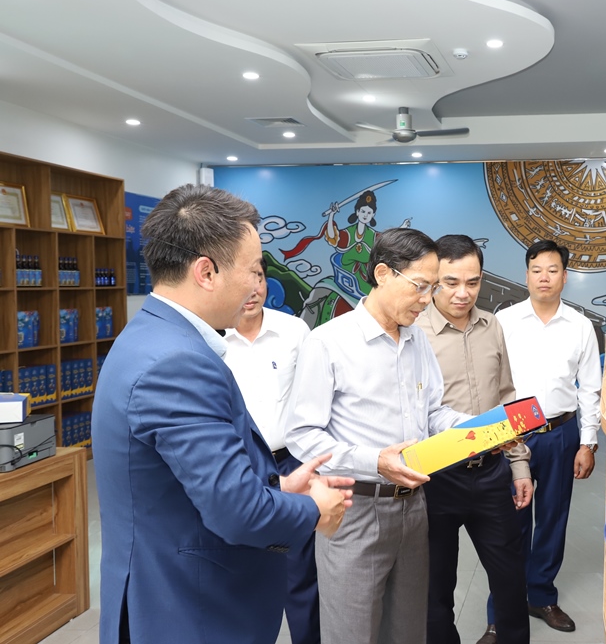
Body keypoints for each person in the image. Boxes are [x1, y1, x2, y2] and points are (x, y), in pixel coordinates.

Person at [92, 184, 352, 644]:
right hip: (191, 611)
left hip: (172, 597)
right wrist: (314, 509)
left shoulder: (149, 336)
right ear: (207, 272)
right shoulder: (179, 363)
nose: (257, 286)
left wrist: (276, 488)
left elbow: (188, 484)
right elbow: (238, 513)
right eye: (253, 270)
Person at [285, 227, 474, 644]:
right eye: (420, 286)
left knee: (407, 630)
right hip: (354, 509)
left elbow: (433, 412)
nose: (427, 300)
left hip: (413, 507)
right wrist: (374, 461)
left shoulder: (417, 340)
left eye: (433, 288)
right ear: (383, 273)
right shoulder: (329, 342)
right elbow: (302, 434)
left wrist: (479, 431)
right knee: (351, 633)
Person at [414, 235, 532, 644]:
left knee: (511, 581)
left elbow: (506, 397)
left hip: (492, 474)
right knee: (435, 590)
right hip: (435, 479)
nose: (463, 293)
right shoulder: (413, 333)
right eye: (451, 282)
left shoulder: (491, 326)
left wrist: (519, 465)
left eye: (473, 282)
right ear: (434, 280)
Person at [495, 240, 602, 633]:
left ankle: (540, 596)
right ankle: (504, 607)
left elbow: (590, 388)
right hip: (512, 435)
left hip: (560, 433)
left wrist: (587, 443)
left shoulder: (580, 326)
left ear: (565, 276)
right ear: (526, 275)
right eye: (537, 269)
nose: (544, 277)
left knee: (553, 519)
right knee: (511, 523)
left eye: (552, 270)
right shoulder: (503, 321)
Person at [222, 258, 320, 644]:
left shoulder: (294, 331)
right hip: (236, 466)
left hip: (289, 461)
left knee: (300, 572)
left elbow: (314, 397)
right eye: (244, 280)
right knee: (237, 567)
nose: (253, 290)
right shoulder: (212, 337)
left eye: (259, 278)